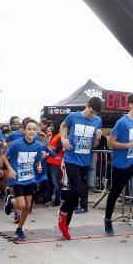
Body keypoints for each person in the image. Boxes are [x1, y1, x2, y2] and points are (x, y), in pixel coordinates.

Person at [57, 97, 104, 239]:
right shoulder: (73, 116)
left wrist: (97, 138)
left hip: (85, 161)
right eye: (91, 112)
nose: (92, 115)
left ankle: (65, 225)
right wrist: (63, 139)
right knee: (77, 190)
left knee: (75, 193)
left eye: (95, 113)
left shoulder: (98, 121)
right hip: (71, 159)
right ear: (86, 105)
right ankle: (63, 213)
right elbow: (63, 126)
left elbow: (94, 145)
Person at [104, 93, 133, 233]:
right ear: (130, 105)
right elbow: (110, 142)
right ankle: (107, 220)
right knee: (115, 193)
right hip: (121, 163)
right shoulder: (122, 122)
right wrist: (128, 145)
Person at [2, 119, 45, 241]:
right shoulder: (16, 144)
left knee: (27, 207)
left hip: (30, 178)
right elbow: (4, 157)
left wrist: (39, 166)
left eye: (34, 129)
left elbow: (37, 160)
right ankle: (11, 200)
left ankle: (19, 230)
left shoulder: (38, 145)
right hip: (17, 179)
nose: (31, 131)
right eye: (29, 129)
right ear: (23, 130)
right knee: (21, 205)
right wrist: (10, 169)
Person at [46, 122, 65, 207]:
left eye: (52, 125)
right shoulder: (52, 135)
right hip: (50, 161)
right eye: (50, 125)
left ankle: (57, 200)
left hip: (55, 162)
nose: (50, 127)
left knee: (55, 182)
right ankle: (49, 197)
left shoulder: (59, 136)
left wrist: (49, 150)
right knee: (50, 181)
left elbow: (59, 149)